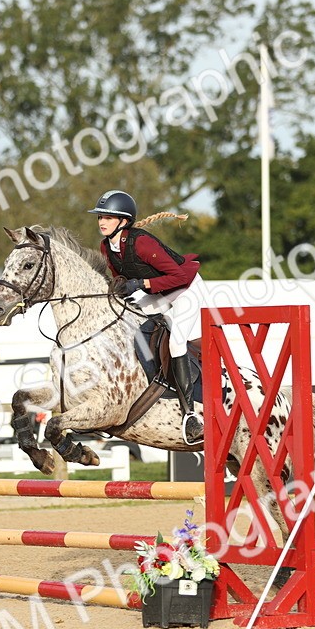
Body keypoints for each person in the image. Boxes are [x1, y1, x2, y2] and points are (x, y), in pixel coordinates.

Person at [88, 189, 207, 445]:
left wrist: (141, 283)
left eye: (108, 217)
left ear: (123, 221)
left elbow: (180, 277)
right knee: (127, 319)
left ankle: (191, 417)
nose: (101, 222)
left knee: (176, 342)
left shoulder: (141, 242)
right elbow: (120, 277)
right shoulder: (106, 245)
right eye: (100, 217)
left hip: (185, 290)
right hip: (159, 291)